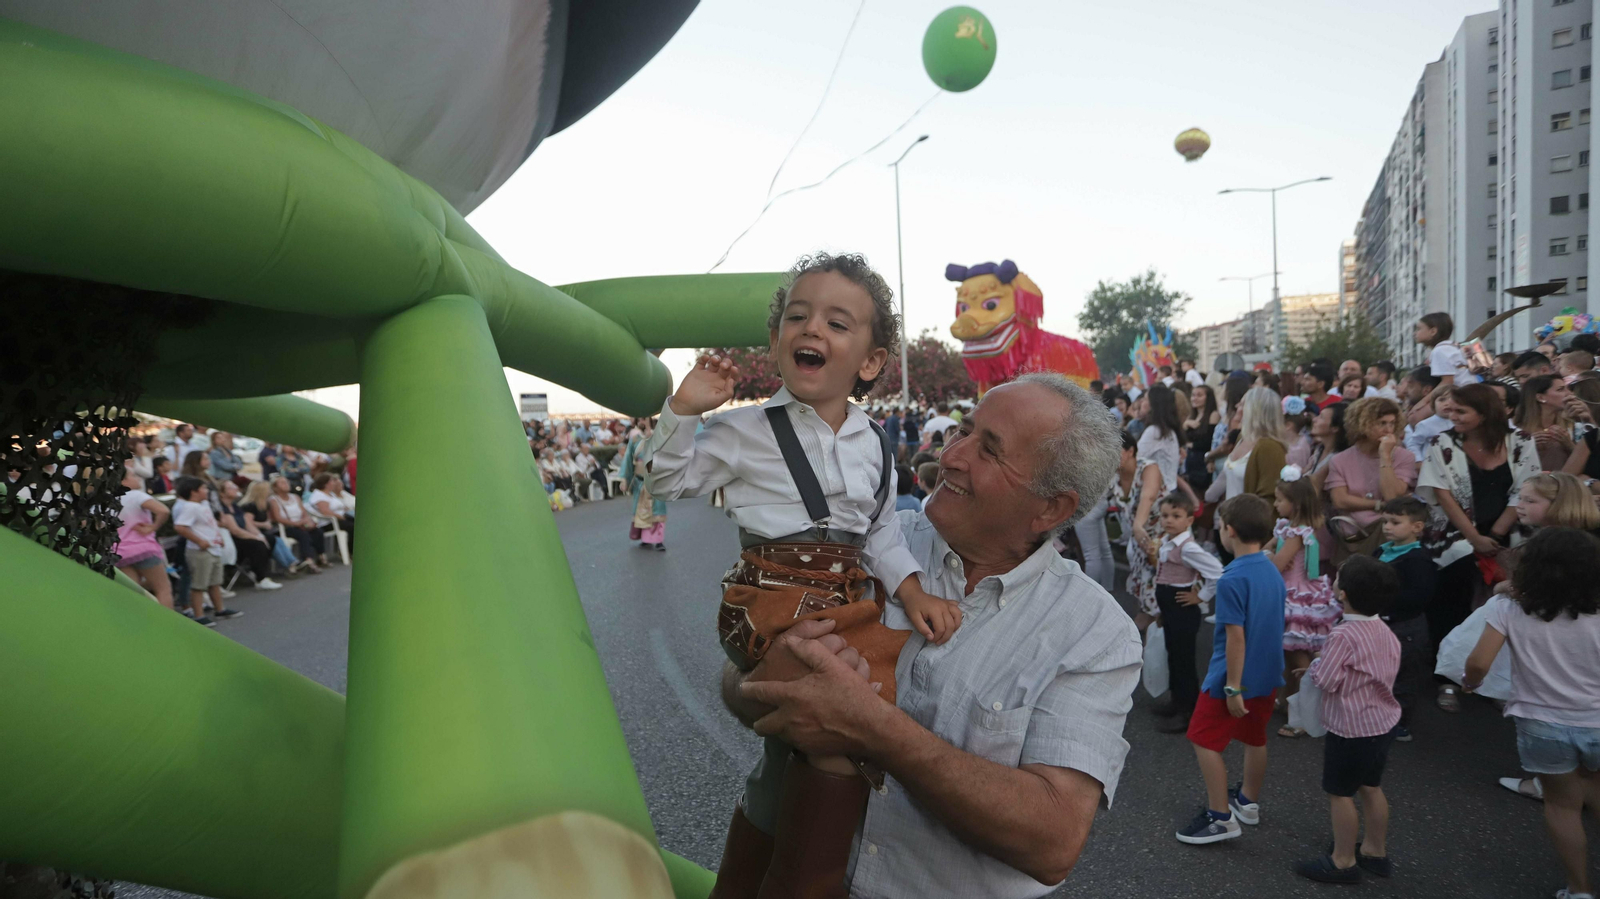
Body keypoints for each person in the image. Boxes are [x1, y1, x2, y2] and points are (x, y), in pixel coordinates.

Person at [723, 373, 1138, 898]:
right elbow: (737, 674)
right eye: (963, 431)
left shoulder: (1096, 632)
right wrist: (766, 684)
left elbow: (1052, 842)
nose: (951, 456)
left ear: (1051, 508)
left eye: (988, 450)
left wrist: (871, 727)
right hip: (770, 874)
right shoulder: (857, 541)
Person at [1464, 528, 1600, 899]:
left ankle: (1579, 889)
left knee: (1562, 805)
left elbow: (1478, 663)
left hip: (1542, 724)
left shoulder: (1508, 608)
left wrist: (1470, 683)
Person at [1417, 383, 1540, 711]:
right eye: (1449, 408)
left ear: (1484, 415)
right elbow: (1441, 492)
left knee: (1510, 604)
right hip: (1453, 536)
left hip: (1511, 534)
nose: (1450, 415)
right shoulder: (1441, 442)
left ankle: (1503, 678)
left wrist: (1496, 535)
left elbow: (1527, 488)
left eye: (1460, 411)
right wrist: (1474, 538)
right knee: (1449, 600)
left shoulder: (1522, 442)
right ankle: (1446, 679)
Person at [1175, 494, 1286, 845]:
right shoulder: (1271, 568)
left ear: (1229, 531)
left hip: (1231, 678)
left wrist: (1233, 687)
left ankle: (1220, 816)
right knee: (1255, 736)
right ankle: (1247, 802)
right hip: (1268, 675)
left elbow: (1235, 637)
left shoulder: (1231, 578)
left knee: (1203, 739)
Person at [1295, 555, 1403, 884]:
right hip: (1382, 722)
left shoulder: (1342, 635)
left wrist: (1315, 665)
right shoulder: (1384, 630)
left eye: (1338, 578)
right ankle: (1374, 850)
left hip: (1350, 728)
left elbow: (1326, 680)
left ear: (1342, 594)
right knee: (1371, 787)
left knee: (1340, 793)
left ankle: (1342, 860)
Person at [1149, 491, 1225, 734]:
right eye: (1165, 515)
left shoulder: (1188, 548)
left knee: (1183, 659)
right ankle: (1177, 700)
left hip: (1183, 608)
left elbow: (1217, 572)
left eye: (1176, 515)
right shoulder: (1168, 541)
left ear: (1189, 520)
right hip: (1170, 607)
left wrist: (1200, 597)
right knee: (1173, 654)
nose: (1169, 520)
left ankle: (1188, 710)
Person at [1272, 469, 1338, 737]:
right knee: (1288, 655)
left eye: (1279, 500)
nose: (1275, 504)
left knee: (1298, 655)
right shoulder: (1291, 528)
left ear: (1295, 504)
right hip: (1295, 590)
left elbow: (1276, 564)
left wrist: (1267, 558)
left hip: (1293, 593)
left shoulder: (1295, 533)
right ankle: (1290, 702)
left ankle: (1302, 715)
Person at [1325, 397, 1419, 560]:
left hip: (1387, 536)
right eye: (1382, 423)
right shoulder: (1340, 460)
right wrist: (1379, 504)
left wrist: (1385, 456)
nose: (1388, 430)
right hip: (1352, 537)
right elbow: (1340, 500)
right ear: (1362, 423)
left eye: (1392, 423)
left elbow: (1392, 496)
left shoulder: (1405, 457)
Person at [171, 477, 242, 626]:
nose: (207, 491)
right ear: (194, 492)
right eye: (203, 488)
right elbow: (180, 527)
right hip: (200, 551)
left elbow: (209, 523)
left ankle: (220, 608)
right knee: (199, 584)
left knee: (214, 582)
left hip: (213, 548)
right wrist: (199, 541)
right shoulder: (190, 507)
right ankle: (199, 615)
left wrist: (218, 536)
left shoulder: (203, 504)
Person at [113, 466, 174, 609]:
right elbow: (163, 510)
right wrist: (153, 527)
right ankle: (168, 625)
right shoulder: (136, 495)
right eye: (133, 476)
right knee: (163, 589)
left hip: (119, 552)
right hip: (143, 548)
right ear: (123, 481)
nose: (137, 478)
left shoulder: (104, 501)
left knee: (135, 593)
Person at [216, 480, 282, 590]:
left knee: (269, 539)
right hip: (230, 540)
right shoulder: (223, 509)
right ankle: (261, 579)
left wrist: (260, 535)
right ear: (222, 493)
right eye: (231, 487)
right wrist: (256, 537)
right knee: (257, 544)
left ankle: (255, 570)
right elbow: (235, 530)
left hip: (241, 536)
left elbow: (248, 524)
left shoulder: (235, 506)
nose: (235, 488)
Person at [1516, 375, 1588, 472]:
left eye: (1568, 389)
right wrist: (1527, 445)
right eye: (1560, 390)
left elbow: (1588, 463)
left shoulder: (1574, 426)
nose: (1570, 394)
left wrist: (1569, 444)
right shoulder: (1516, 428)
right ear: (1541, 397)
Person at [619, 424, 666, 549]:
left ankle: (658, 540)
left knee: (657, 513)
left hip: (656, 481)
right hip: (639, 482)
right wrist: (624, 479)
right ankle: (646, 538)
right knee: (641, 511)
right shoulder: (634, 440)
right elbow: (628, 460)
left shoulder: (661, 436)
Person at [268, 473, 329, 570]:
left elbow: (304, 512)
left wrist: (307, 521)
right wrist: (296, 524)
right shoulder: (273, 500)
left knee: (317, 531)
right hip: (286, 526)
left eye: (286, 482)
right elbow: (277, 518)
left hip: (300, 523)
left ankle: (321, 556)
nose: (286, 484)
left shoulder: (295, 497)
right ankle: (308, 560)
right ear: (275, 487)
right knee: (303, 534)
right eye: (282, 483)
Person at [241, 479, 301, 574]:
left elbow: (268, 519)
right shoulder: (250, 506)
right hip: (252, 532)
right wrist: (263, 524)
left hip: (264, 531)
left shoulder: (264, 504)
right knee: (273, 540)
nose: (270, 491)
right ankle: (289, 564)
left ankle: (292, 562)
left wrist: (268, 521)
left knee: (278, 540)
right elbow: (247, 522)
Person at [1137, 382, 1184, 490]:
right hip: (1168, 488)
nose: (1141, 402)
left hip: (1160, 492)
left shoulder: (1154, 432)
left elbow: (1136, 459)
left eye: (1145, 399)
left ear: (1154, 404)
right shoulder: (1166, 430)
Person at [1183, 383, 1221, 495]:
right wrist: (1185, 425)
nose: (1195, 398)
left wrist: (1191, 445)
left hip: (1203, 461)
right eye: (1193, 395)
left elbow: (1209, 440)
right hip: (1190, 460)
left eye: (1199, 395)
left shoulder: (1213, 415)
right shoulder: (1191, 416)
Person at [307, 472, 356, 553]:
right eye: (332, 481)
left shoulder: (330, 494)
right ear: (326, 484)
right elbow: (325, 511)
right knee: (353, 527)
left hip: (341, 517)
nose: (334, 483)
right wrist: (339, 516)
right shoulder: (319, 495)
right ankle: (350, 551)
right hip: (329, 523)